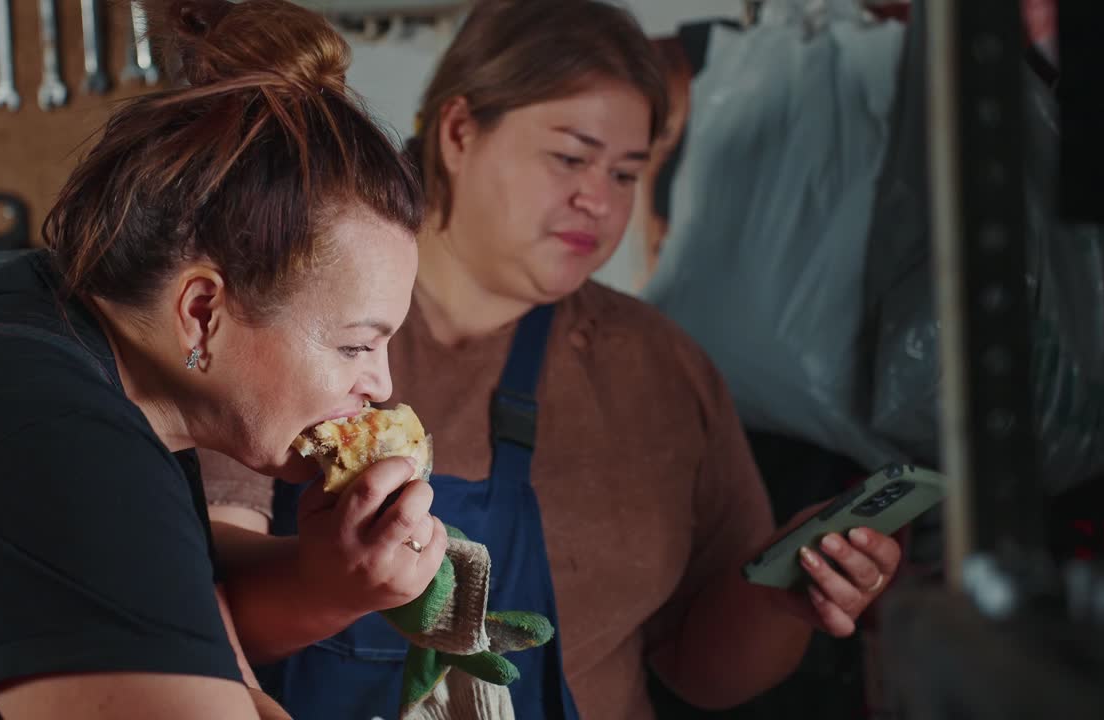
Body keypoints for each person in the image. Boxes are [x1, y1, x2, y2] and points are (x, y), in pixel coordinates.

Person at [201, 1, 905, 719]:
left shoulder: (659, 367)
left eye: (628, 174)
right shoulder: (294, 313)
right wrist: (340, 586)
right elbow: (201, 618)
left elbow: (702, 673)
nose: (598, 200)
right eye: (570, 157)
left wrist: (785, 592)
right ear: (459, 130)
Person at [0, 1, 450, 718]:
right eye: (355, 344)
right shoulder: (57, 445)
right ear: (201, 312)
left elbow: (180, 638)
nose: (379, 384)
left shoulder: (73, 345)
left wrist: (333, 581)